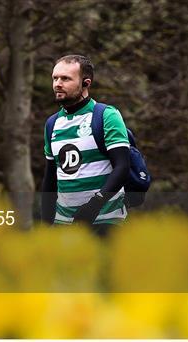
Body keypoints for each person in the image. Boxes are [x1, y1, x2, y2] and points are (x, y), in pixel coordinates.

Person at [41, 55, 131, 236]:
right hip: (64, 226)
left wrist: (94, 205)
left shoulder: (106, 115)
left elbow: (122, 167)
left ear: (85, 83)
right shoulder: (52, 124)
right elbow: (50, 178)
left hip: (106, 222)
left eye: (65, 78)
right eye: (55, 78)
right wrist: (45, 227)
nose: (58, 83)